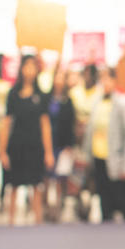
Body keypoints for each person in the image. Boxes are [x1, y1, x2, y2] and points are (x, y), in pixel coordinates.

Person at [0, 54, 54, 225]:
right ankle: (11, 221)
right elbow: (6, 123)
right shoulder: (13, 94)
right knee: (14, 186)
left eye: (33, 66)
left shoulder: (41, 95)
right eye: (26, 66)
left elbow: (45, 125)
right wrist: (2, 151)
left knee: (36, 185)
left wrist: (48, 152)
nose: (29, 70)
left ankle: (38, 221)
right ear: (21, 69)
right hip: (16, 146)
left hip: (35, 146)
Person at [83, 67, 125, 222]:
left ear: (114, 81)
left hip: (115, 160)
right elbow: (90, 130)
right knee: (103, 198)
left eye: (108, 79)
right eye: (102, 79)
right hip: (98, 157)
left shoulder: (120, 103)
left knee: (119, 201)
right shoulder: (97, 101)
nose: (105, 83)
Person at [45, 68, 75, 222]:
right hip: (47, 143)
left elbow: (71, 124)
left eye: (62, 78)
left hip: (61, 144)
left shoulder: (68, 101)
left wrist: (69, 145)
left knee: (58, 177)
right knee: (46, 177)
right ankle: (46, 207)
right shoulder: (47, 99)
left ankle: (57, 207)